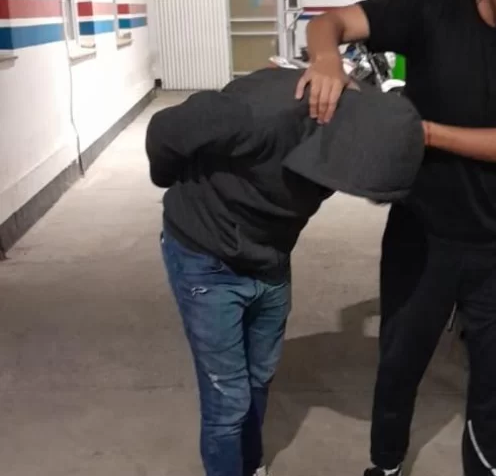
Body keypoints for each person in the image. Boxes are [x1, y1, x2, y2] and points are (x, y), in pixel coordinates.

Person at [297, 0, 496, 475]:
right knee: (398, 369)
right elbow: (330, 23)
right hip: (421, 238)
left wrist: (420, 132)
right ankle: (385, 466)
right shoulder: (432, 8)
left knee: (494, 384)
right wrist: (326, 60)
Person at [146, 68, 424, 476]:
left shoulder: (354, 131)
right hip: (205, 258)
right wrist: (184, 193)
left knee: (259, 376)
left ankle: (250, 464)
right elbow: (163, 132)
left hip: (271, 257)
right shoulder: (260, 115)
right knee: (228, 400)